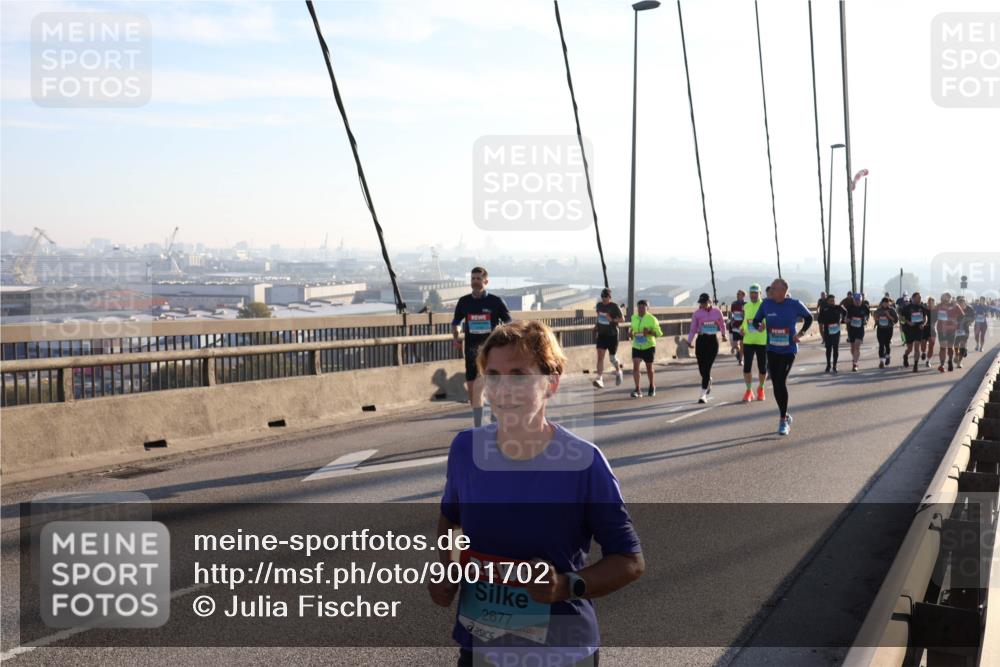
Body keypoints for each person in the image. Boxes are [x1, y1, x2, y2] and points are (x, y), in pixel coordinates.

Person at [431, 320, 644, 667]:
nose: (503, 389)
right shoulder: (465, 449)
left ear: (551, 384)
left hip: (560, 652)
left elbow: (630, 562)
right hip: (481, 646)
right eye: (494, 376)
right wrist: (448, 570)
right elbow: (449, 521)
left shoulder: (585, 463)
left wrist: (564, 585)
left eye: (519, 375)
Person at [750, 278, 814, 435]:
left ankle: (783, 419)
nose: (770, 291)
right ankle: (785, 414)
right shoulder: (766, 304)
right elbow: (756, 321)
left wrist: (801, 333)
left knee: (780, 380)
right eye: (770, 288)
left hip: (788, 349)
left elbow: (809, 317)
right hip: (772, 349)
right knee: (776, 383)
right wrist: (759, 327)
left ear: (783, 291)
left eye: (773, 288)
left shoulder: (794, 304)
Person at [453, 267, 512, 427]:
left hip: (491, 351)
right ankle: (482, 421)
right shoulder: (464, 302)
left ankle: (486, 421)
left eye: (478, 279)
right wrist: (456, 336)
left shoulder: (495, 301)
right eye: (473, 279)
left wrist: (505, 339)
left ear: (486, 281)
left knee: (487, 384)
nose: (475, 282)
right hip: (471, 351)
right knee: (473, 391)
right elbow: (457, 321)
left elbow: (508, 322)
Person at [687, 293, 728, 403]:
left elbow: (722, 324)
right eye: (701, 303)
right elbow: (693, 328)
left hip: (712, 342)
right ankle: (708, 379)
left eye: (705, 303)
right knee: (702, 368)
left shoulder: (716, 311)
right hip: (701, 341)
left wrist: (724, 335)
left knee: (707, 367)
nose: (703, 305)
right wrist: (689, 341)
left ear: (710, 302)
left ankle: (703, 394)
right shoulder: (697, 314)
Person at [740, 283, 769, 402]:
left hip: (761, 341)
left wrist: (765, 325)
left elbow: (770, 319)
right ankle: (748, 390)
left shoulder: (765, 305)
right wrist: (742, 328)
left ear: (760, 294)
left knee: (762, 368)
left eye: (756, 293)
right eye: (751, 293)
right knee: (747, 368)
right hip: (748, 340)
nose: (753, 295)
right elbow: (745, 321)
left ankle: (761, 388)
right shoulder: (746, 306)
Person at [629, 300, 663, 398]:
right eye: (639, 307)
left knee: (649, 368)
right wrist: (630, 333)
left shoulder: (652, 319)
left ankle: (652, 385)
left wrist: (649, 332)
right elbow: (632, 329)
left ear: (647, 308)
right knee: (635, 367)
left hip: (648, 346)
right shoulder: (633, 317)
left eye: (643, 307)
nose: (641, 309)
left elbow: (659, 333)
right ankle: (637, 389)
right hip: (636, 345)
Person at [592, 288, 624, 389]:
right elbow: (599, 316)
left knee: (612, 358)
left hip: (612, 335)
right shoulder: (599, 305)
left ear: (610, 297)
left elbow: (622, 319)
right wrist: (596, 326)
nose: (604, 299)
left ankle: (618, 371)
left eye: (606, 298)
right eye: (602, 297)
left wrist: (612, 319)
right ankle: (599, 378)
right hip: (602, 334)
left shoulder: (614, 306)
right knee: (600, 357)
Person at [899, 292, 930, 373]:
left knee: (917, 347)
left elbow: (925, 317)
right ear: (913, 298)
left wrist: (923, 324)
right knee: (909, 348)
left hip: (918, 329)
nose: (919, 299)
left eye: (920, 297)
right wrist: (908, 322)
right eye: (918, 297)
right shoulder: (906, 308)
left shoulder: (922, 307)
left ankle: (915, 365)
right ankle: (905, 356)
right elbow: (901, 318)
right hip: (909, 330)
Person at [934, 292, 965, 372]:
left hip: (952, 329)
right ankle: (942, 364)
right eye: (944, 298)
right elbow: (933, 316)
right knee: (943, 347)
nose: (946, 299)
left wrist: (956, 322)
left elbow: (962, 316)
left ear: (950, 299)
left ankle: (950, 361)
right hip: (942, 329)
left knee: (950, 347)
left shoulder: (955, 306)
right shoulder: (939, 306)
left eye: (948, 298)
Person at [818, 293, 847, 373]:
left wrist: (842, 320)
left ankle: (835, 365)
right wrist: (822, 332)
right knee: (828, 349)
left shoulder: (838, 308)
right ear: (827, 301)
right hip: (827, 331)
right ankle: (828, 365)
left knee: (836, 349)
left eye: (833, 301)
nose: (832, 302)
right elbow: (820, 322)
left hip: (836, 331)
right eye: (830, 301)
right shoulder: (824, 309)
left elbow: (845, 313)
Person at [844, 292, 870, 372]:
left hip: (860, 330)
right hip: (851, 330)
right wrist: (847, 320)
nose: (858, 302)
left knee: (857, 346)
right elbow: (845, 319)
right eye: (856, 300)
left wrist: (865, 320)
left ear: (861, 300)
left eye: (859, 300)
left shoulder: (864, 307)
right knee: (852, 348)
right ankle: (854, 358)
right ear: (853, 300)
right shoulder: (850, 308)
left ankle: (855, 364)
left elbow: (867, 316)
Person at [873, 297, 899, 368]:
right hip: (880, 329)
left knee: (887, 344)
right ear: (882, 303)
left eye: (887, 303)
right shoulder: (879, 310)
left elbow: (896, 320)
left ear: (889, 303)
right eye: (884, 303)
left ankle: (887, 356)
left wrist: (889, 316)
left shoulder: (892, 310)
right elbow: (875, 316)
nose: (885, 304)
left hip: (889, 329)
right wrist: (876, 319)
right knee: (881, 344)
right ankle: (881, 361)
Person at [954, 296, 975, 368]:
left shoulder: (969, 309)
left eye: (963, 303)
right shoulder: (955, 309)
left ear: (965, 303)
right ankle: (956, 355)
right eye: (960, 304)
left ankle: (959, 362)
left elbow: (973, 317)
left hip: (965, 329)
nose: (961, 305)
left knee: (963, 345)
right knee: (956, 344)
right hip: (956, 329)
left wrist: (970, 322)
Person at [729, 290, 746, 365]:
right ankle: (739, 353)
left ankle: (741, 360)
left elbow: (748, 316)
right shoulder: (734, 304)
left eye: (739, 294)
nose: (737, 295)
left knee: (742, 344)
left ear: (743, 296)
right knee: (735, 345)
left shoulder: (746, 304)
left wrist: (744, 315)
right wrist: (731, 321)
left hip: (742, 327)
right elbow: (732, 314)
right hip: (735, 326)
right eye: (737, 294)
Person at [925, 297, 938, 367]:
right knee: (923, 346)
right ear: (928, 303)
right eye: (929, 303)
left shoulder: (936, 311)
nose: (931, 304)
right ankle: (923, 352)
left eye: (932, 303)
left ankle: (928, 360)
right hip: (924, 329)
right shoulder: (924, 310)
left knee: (931, 346)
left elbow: (941, 319)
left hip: (932, 329)